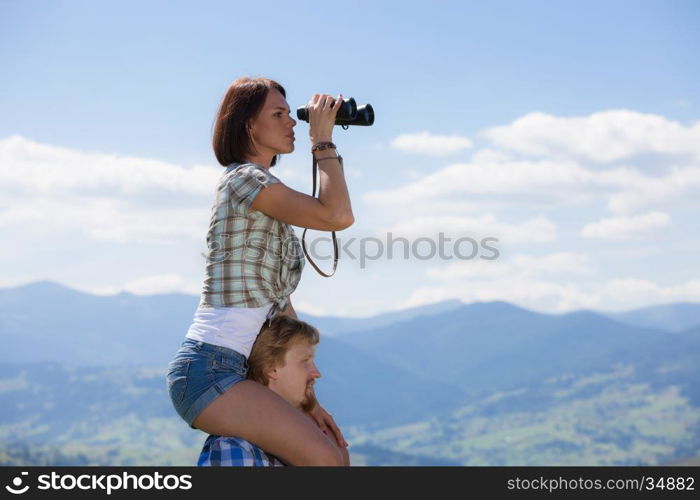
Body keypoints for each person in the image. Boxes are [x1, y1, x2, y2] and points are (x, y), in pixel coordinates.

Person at [166, 76, 354, 466]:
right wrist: (323, 141)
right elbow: (337, 216)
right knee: (326, 462)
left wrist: (308, 402)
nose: (292, 123)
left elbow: (284, 320)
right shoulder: (243, 181)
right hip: (209, 370)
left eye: (292, 114)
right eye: (279, 114)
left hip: (236, 369)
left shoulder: (267, 201)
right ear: (249, 124)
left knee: (335, 455)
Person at [198, 315, 350, 466]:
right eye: (305, 361)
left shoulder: (316, 436)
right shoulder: (235, 446)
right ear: (272, 368)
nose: (317, 372)